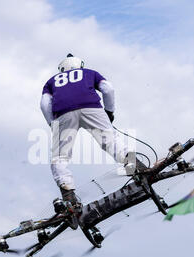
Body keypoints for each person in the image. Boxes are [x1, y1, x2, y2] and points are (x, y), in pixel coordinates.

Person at [40, 54, 147, 218]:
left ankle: (69, 199)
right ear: (79, 65)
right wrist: (109, 111)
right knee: (110, 141)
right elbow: (108, 88)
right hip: (92, 107)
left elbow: (44, 103)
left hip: (63, 114)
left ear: (61, 69)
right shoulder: (89, 72)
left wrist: (52, 124)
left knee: (60, 156)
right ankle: (136, 167)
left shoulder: (51, 81)